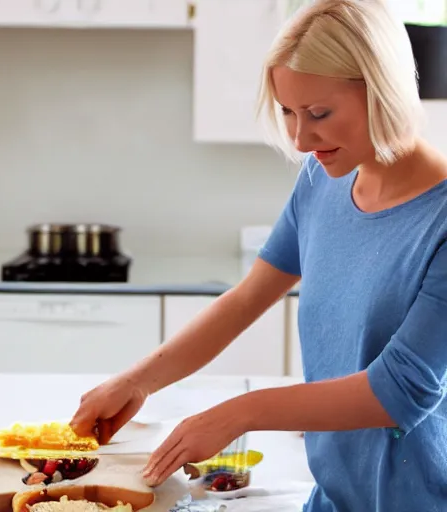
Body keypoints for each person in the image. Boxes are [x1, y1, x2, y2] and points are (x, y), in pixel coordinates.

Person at [70, 0, 447, 510]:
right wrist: (137, 382)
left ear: (384, 90)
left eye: (319, 113)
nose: (299, 137)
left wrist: (238, 414)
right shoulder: (321, 181)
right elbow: (246, 300)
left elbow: (401, 390)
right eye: (288, 112)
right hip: (334, 498)